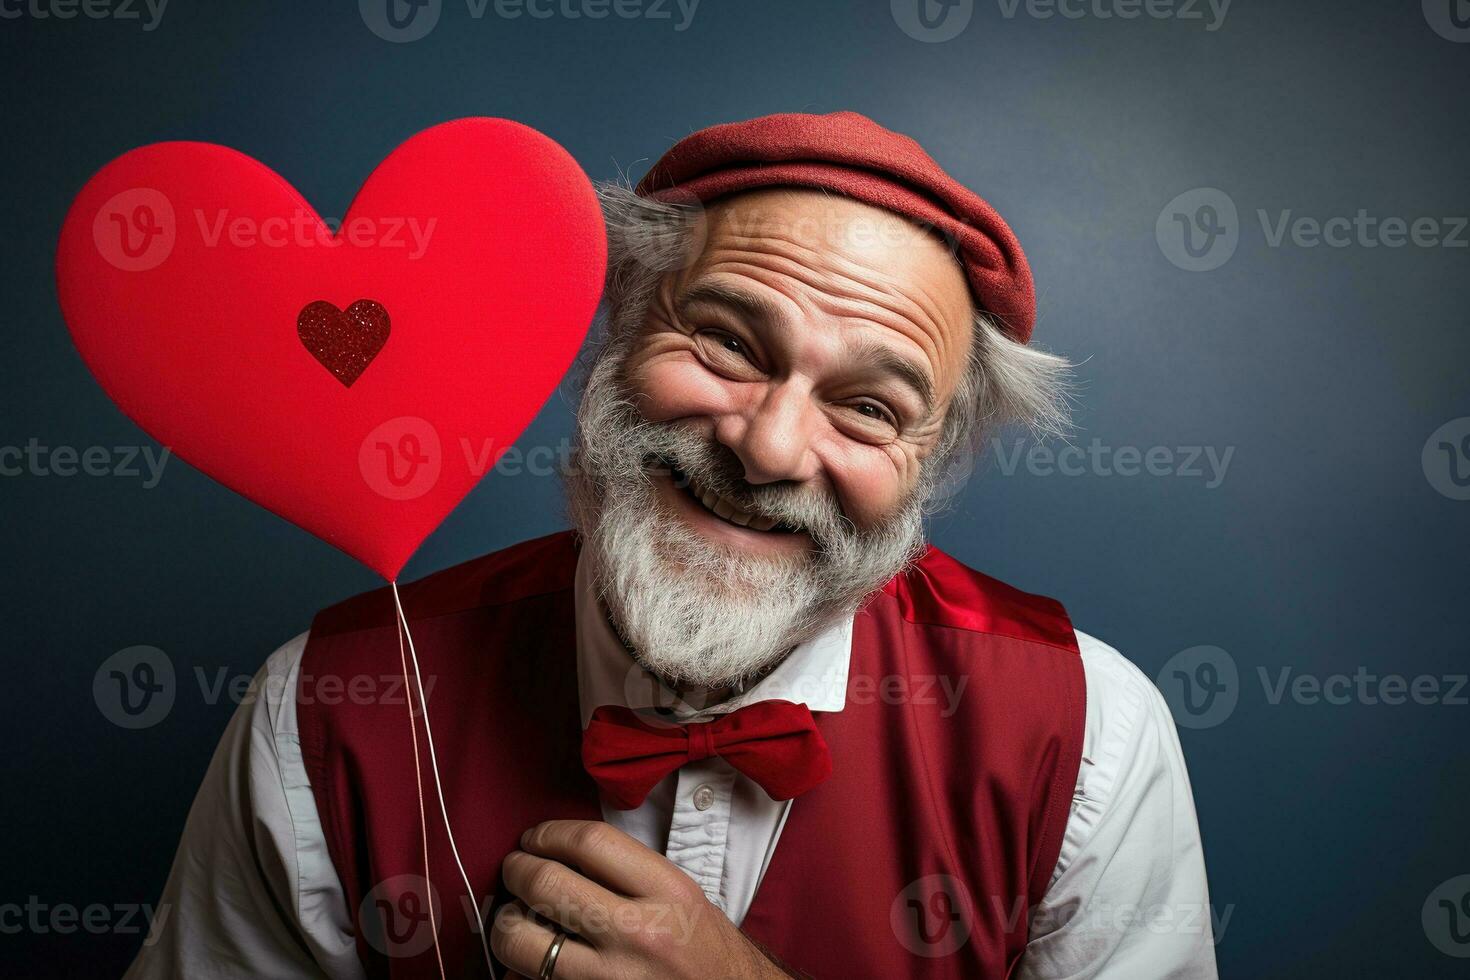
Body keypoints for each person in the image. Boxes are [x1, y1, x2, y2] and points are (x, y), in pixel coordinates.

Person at [126, 111, 1217, 979]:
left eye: (870, 408)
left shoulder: (1092, 738)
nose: (771, 446)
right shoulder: (317, 707)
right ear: (619, 327)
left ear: (933, 463)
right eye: (731, 341)